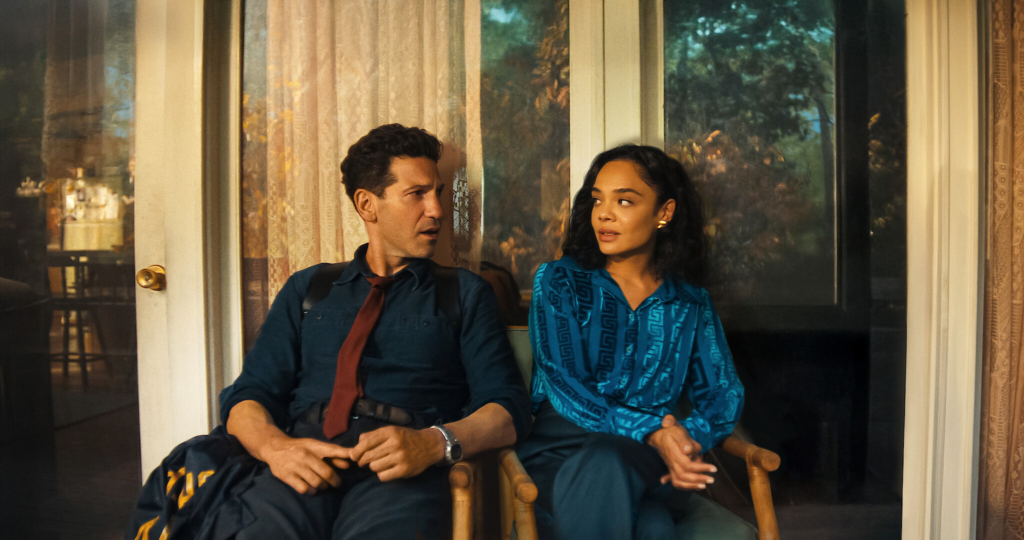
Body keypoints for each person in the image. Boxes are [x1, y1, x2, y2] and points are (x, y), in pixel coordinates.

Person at [128, 124, 531, 540]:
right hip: (302, 460)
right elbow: (248, 396)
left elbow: (508, 409)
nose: (437, 210)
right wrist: (276, 449)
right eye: (417, 194)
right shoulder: (310, 289)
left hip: (401, 472)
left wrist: (432, 443)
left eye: (438, 193)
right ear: (368, 204)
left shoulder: (463, 293)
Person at [518, 144, 756, 540]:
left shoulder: (690, 302)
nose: (604, 214)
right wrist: (653, 431)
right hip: (562, 453)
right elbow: (564, 383)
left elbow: (724, 393)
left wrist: (686, 439)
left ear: (664, 212)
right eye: (598, 200)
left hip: (652, 460)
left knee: (613, 463)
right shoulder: (560, 281)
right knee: (654, 528)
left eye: (624, 200)